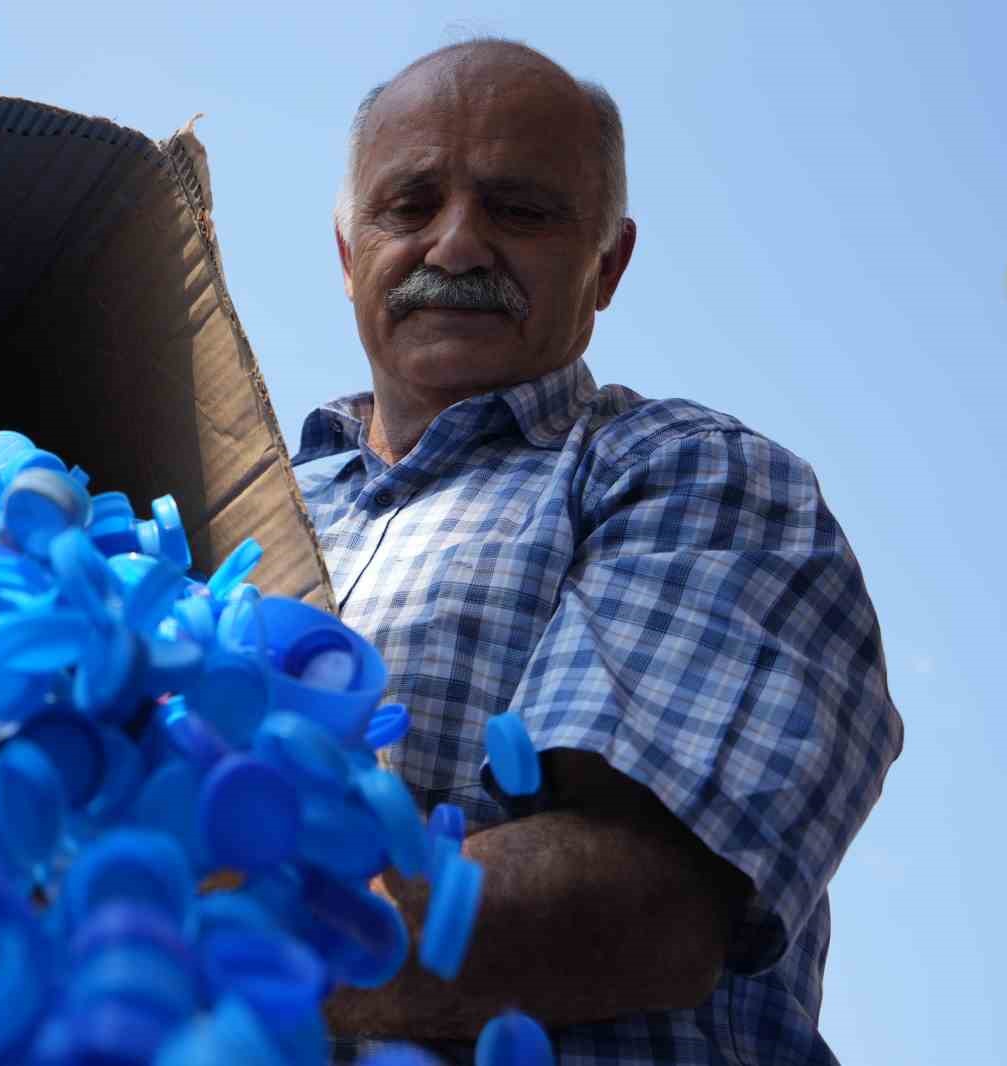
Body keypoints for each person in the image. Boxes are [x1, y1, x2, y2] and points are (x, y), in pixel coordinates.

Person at [292, 38, 904, 1066]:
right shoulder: (234, 511)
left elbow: (645, 899)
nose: (454, 247)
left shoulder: (692, 473)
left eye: (518, 210)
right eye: (408, 205)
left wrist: (178, 936)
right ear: (350, 253)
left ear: (607, 263)